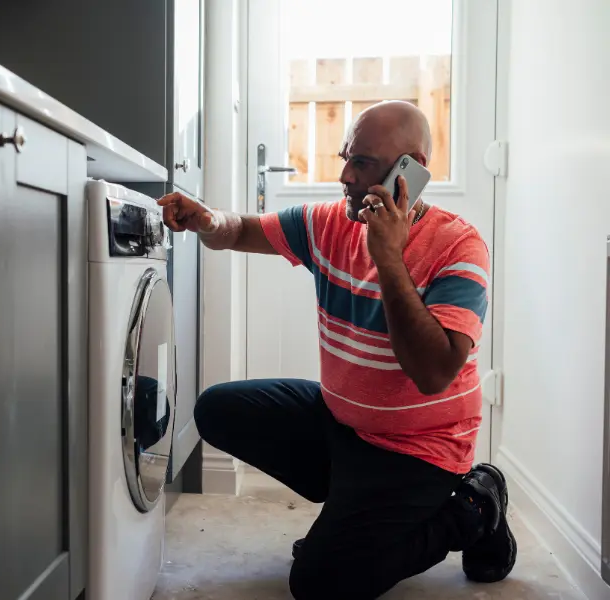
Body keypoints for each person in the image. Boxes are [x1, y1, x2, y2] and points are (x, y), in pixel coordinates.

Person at [157, 100, 516, 600]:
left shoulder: (459, 246)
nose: (344, 174)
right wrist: (207, 219)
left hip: (421, 452)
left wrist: (387, 256)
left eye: (362, 162)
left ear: (410, 168)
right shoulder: (329, 223)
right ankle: (353, 505)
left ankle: (474, 508)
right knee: (217, 409)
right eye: (346, 157)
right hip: (345, 426)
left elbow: (433, 373)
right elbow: (239, 230)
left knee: (319, 583)